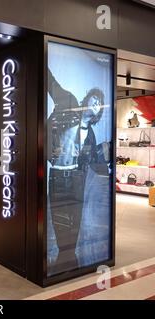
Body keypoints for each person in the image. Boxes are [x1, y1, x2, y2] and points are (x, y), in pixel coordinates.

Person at [47, 69, 111, 276]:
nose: (96, 104)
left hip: (76, 179)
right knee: (58, 218)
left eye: (99, 104)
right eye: (94, 99)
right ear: (86, 98)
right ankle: (62, 258)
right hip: (57, 176)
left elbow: (93, 163)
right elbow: (51, 80)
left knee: (75, 219)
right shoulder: (68, 102)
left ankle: (68, 257)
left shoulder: (90, 135)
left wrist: (105, 153)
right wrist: (49, 151)